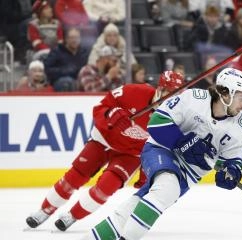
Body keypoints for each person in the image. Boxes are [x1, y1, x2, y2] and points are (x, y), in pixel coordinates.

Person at [48, 67, 242, 240]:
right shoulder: (192, 99)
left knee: (126, 214)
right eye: (241, 98)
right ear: (224, 93)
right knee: (168, 187)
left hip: (189, 173)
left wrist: (232, 172)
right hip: (160, 149)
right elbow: (157, 122)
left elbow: (234, 158)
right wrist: (182, 143)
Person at [25, 71, 185, 231]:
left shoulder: (176, 118)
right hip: (103, 139)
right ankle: (45, 210)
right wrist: (111, 114)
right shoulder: (133, 91)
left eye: (174, 95)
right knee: (75, 176)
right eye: (166, 92)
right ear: (159, 88)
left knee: (107, 187)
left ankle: (73, 216)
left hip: (131, 154)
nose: (168, 98)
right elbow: (102, 107)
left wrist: (147, 172)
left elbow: (160, 146)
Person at [44, 27, 88, 91]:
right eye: (72, 38)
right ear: (66, 39)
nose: (74, 40)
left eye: (76, 37)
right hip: (61, 80)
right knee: (67, 82)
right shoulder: (57, 51)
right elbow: (47, 69)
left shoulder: (84, 52)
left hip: (81, 80)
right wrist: (65, 71)